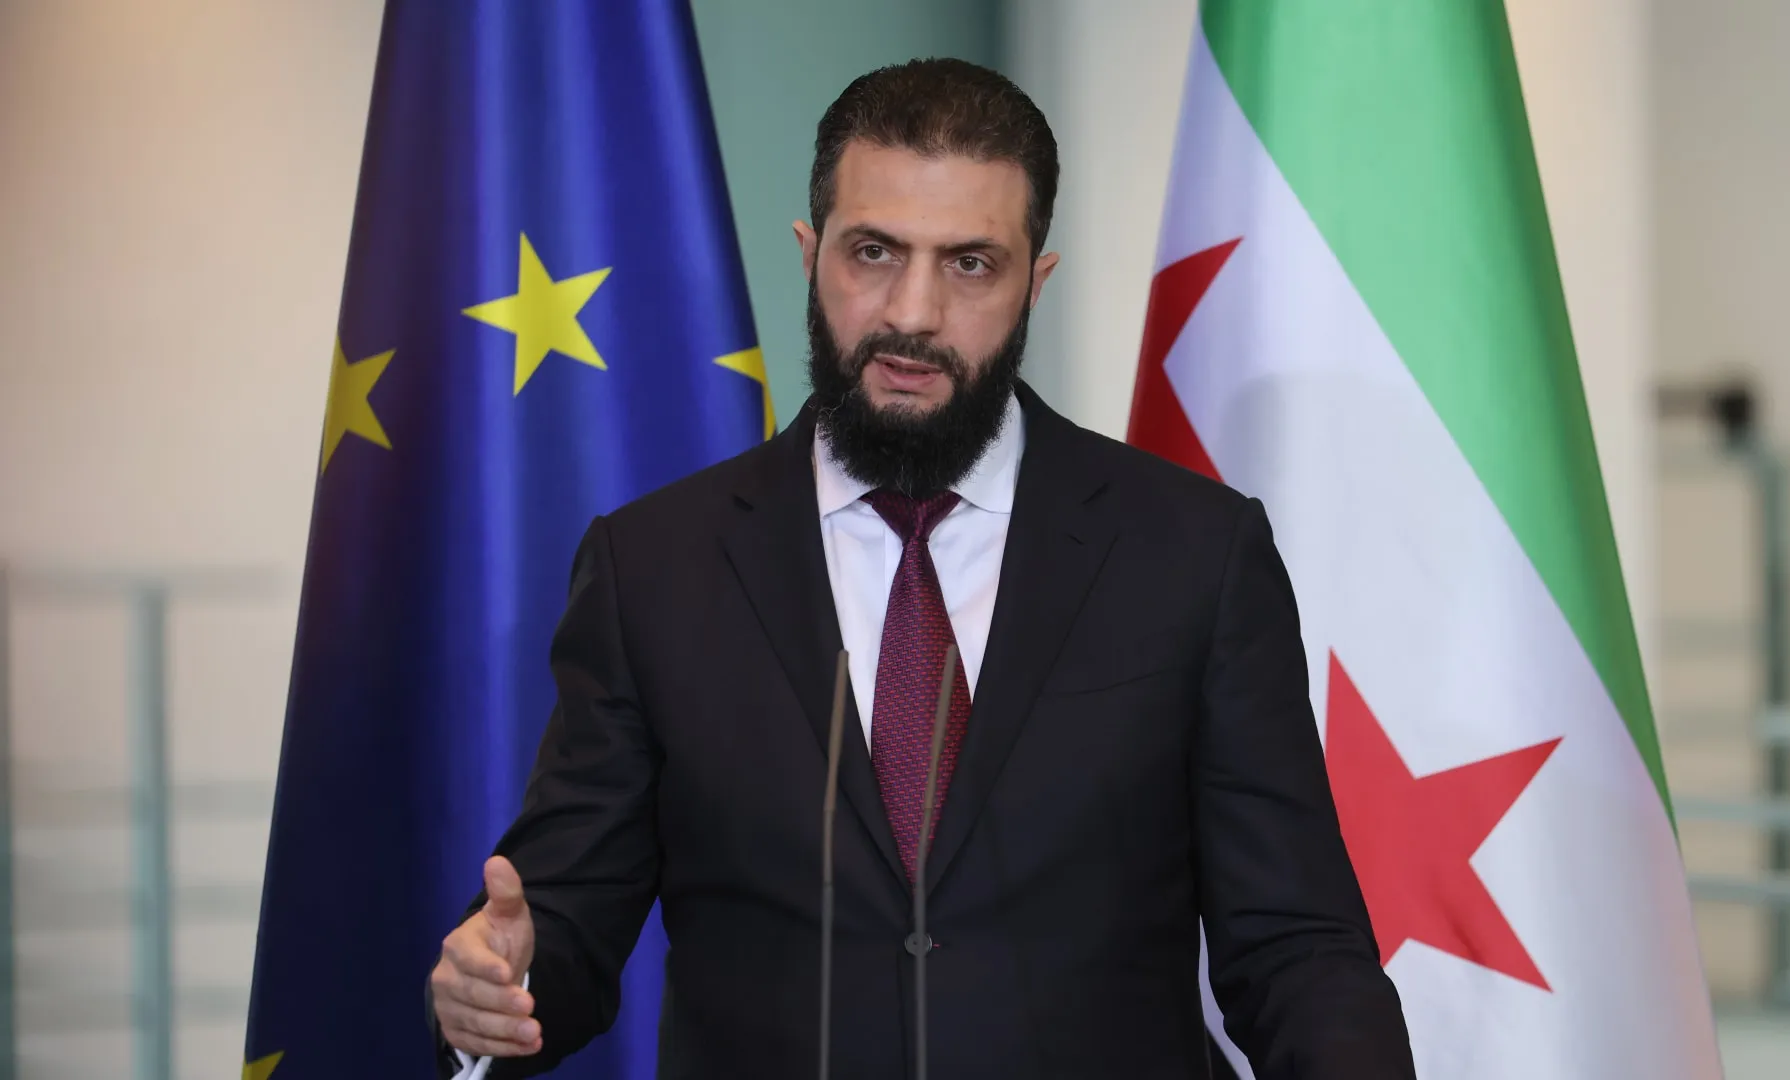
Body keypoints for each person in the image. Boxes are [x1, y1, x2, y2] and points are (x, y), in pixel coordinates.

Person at [428, 57, 1413, 1079]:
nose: (912, 313)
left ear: (1035, 283)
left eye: (970, 264)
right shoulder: (655, 568)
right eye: (874, 252)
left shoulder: (1193, 554)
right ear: (810, 254)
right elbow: (565, 920)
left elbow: (1295, 946)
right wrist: (496, 990)